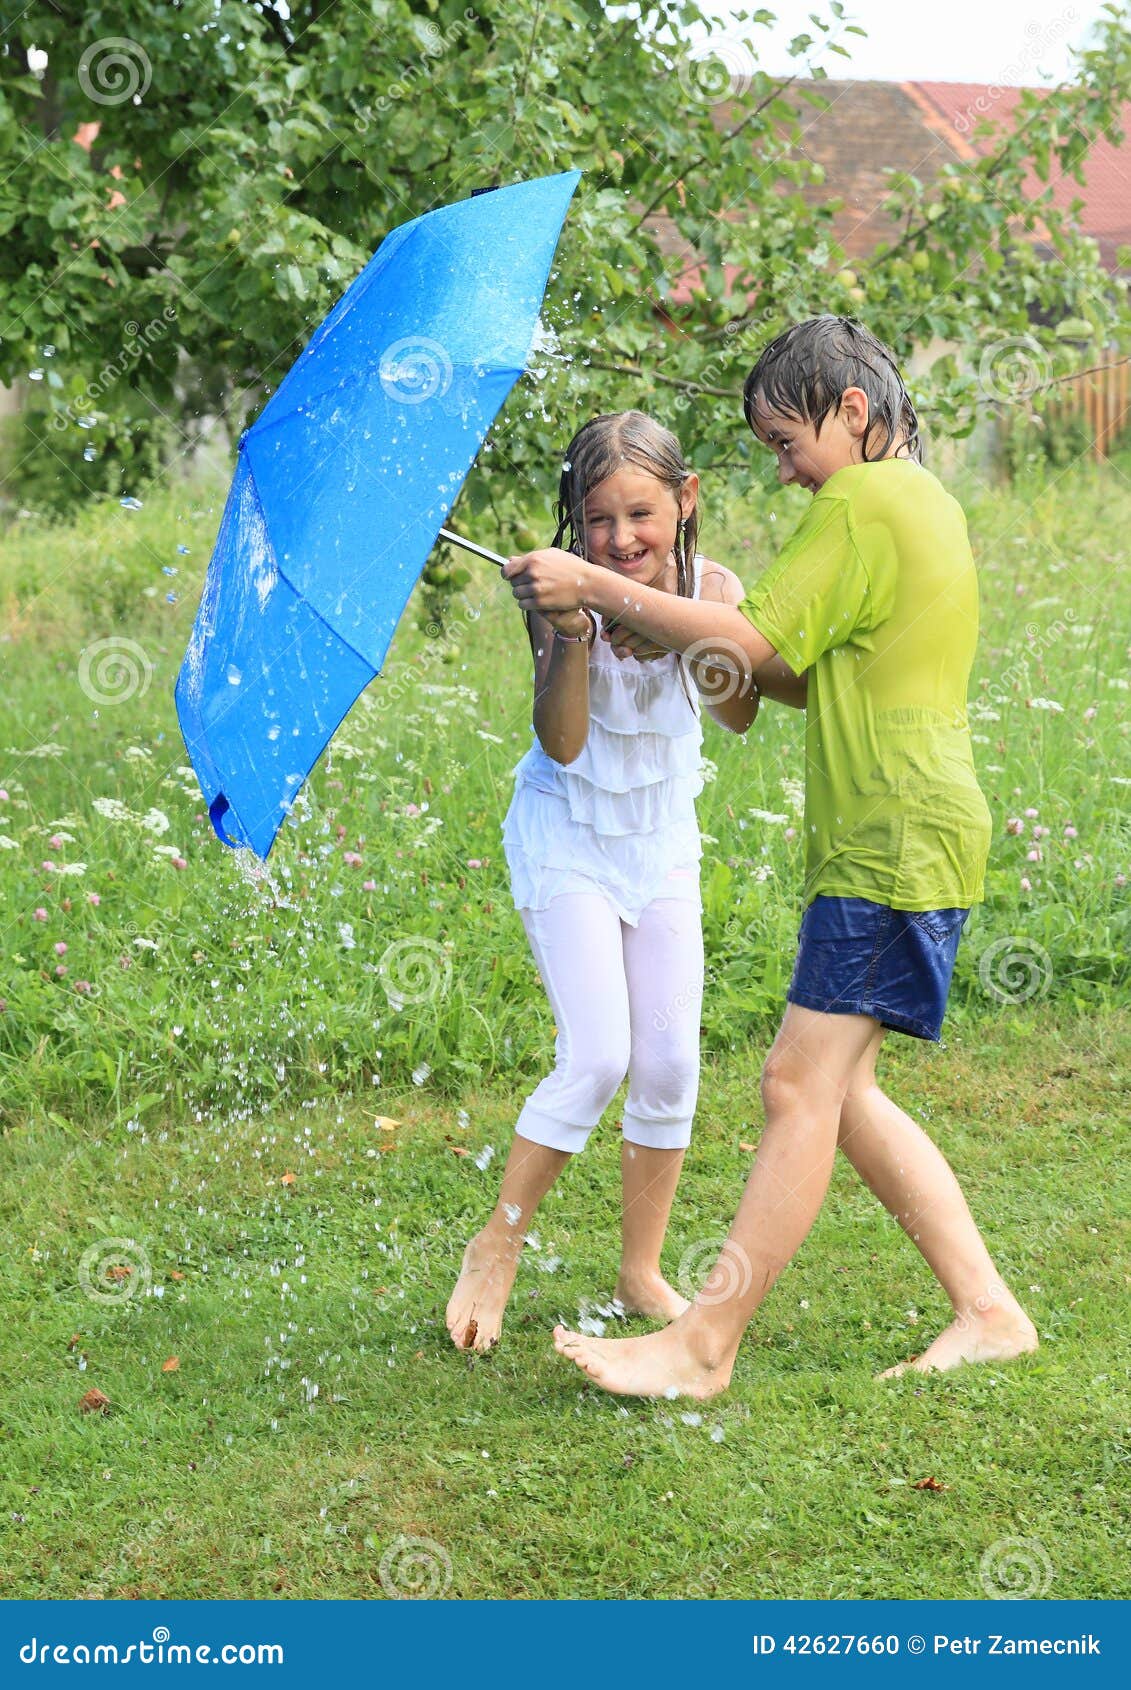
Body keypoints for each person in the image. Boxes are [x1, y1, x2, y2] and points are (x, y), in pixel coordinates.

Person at [502, 317, 1038, 1396]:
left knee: (797, 1085)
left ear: (851, 411)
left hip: (889, 839)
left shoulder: (863, 500)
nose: (786, 471)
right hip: (912, 830)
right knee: (843, 1095)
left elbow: (750, 647)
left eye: (787, 443)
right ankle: (988, 1309)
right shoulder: (920, 500)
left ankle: (704, 1344)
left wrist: (606, 592)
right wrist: (677, 630)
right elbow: (788, 676)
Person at [446, 411, 760, 1353]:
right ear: (572, 525)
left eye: (641, 515)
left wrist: (667, 627)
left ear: (686, 500)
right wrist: (575, 636)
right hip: (568, 833)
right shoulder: (557, 600)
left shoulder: (712, 588)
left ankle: (638, 1272)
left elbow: (739, 711)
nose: (620, 540)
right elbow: (565, 741)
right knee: (596, 1057)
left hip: (659, 839)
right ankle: (494, 1249)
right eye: (596, 522)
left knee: (667, 1064)